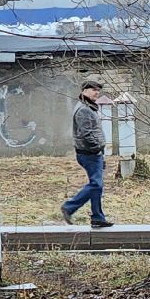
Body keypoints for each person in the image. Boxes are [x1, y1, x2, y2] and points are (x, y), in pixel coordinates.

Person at [61, 80, 114, 228]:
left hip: (92, 152)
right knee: (96, 184)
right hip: (89, 153)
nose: (97, 92)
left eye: (98, 90)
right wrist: (97, 147)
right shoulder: (84, 110)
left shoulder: (88, 107)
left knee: (97, 185)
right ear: (84, 91)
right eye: (93, 90)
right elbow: (86, 133)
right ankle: (69, 207)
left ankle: (98, 217)